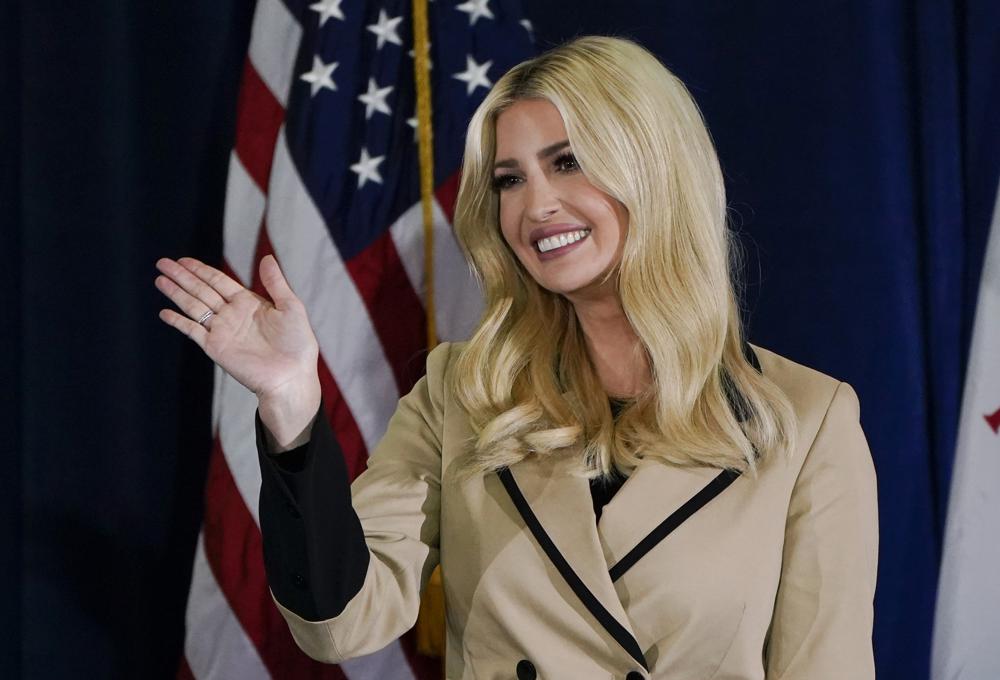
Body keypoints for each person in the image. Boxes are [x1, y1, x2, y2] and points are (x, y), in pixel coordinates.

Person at [155, 36, 878, 680]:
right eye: (510, 179)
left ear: (654, 171)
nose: (536, 206)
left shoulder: (806, 419)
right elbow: (344, 622)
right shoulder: (461, 392)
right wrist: (292, 411)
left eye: (568, 163)